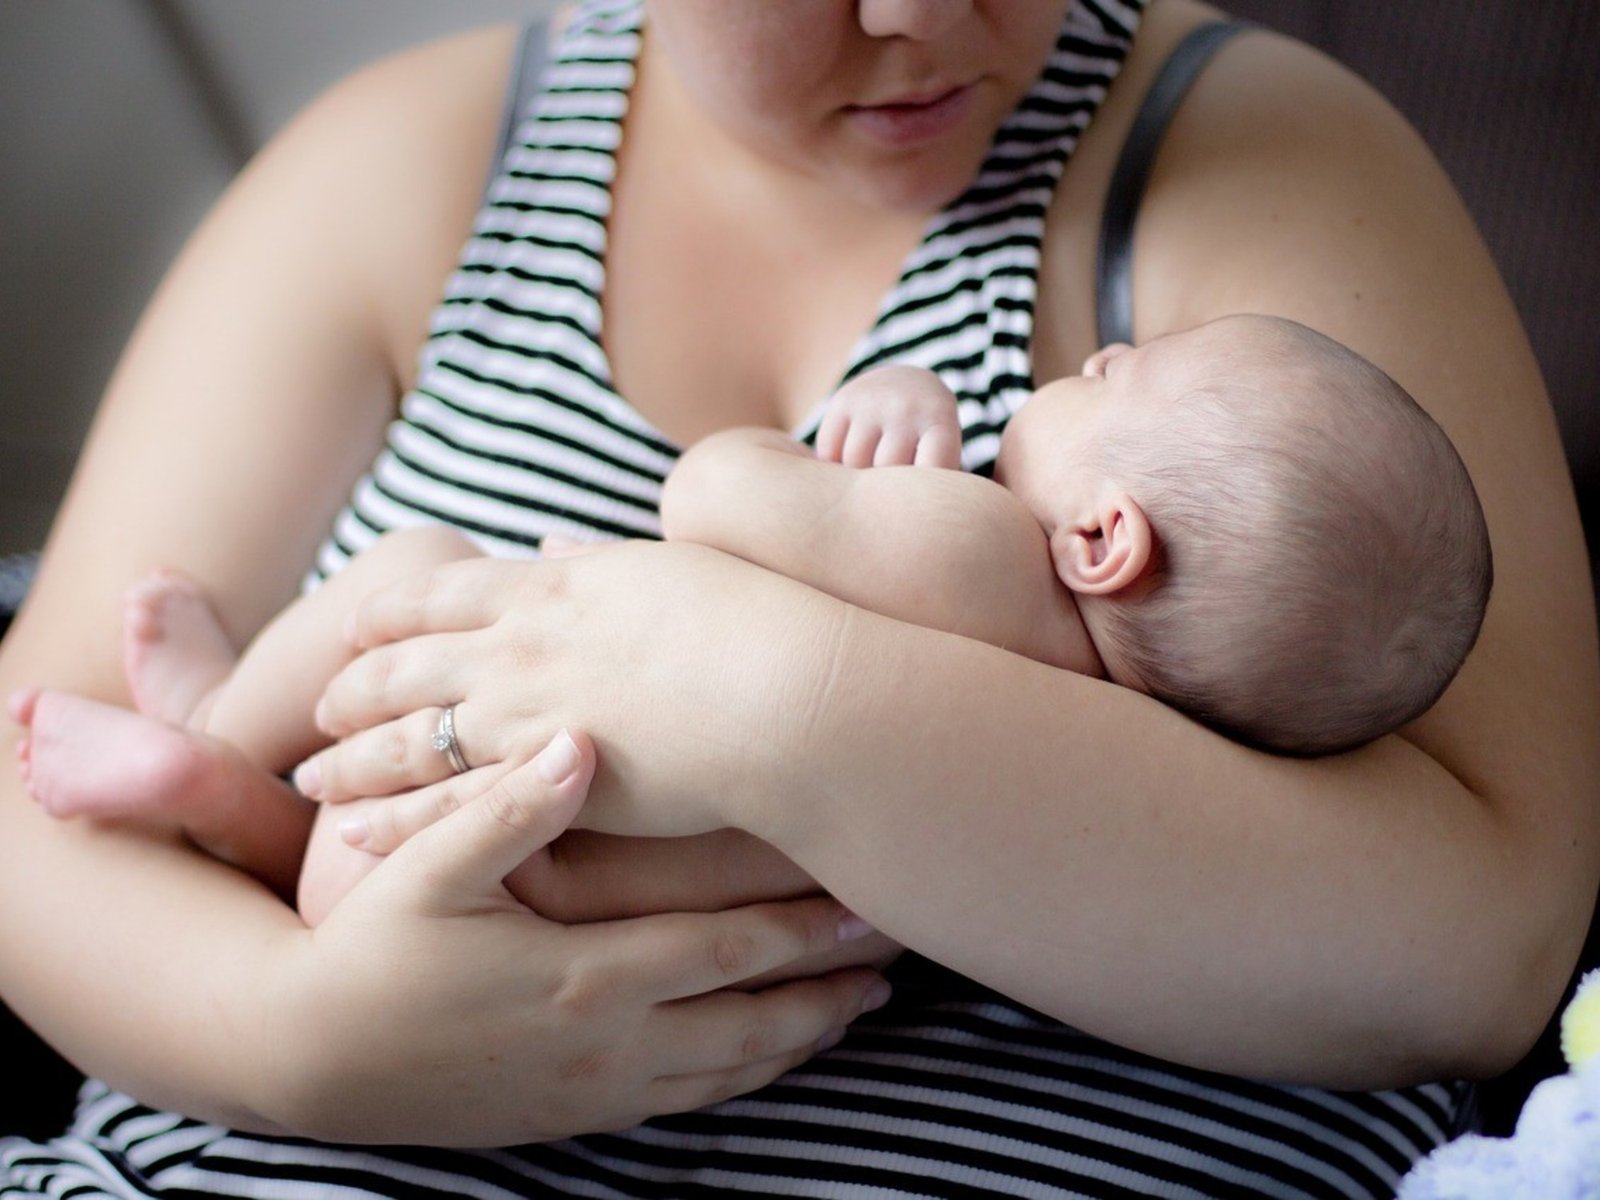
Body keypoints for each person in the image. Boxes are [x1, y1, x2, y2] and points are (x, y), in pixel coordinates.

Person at [0, 1, 1594, 1196]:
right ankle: (221, 760)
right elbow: (23, 808)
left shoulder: (1256, 180)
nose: (914, 12)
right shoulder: (397, 168)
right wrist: (303, 1046)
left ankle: (220, 754)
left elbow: (1487, 946)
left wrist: (774, 701)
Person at [7, 314, 1494, 924]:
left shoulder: (983, 547)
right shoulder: (1111, 769)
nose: (1095, 353)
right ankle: (220, 803)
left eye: (1120, 380)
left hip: (485, 738)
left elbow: (715, 502)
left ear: (1104, 540)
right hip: (553, 885)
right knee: (345, 864)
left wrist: (865, 420)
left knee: (407, 569)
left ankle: (215, 735)